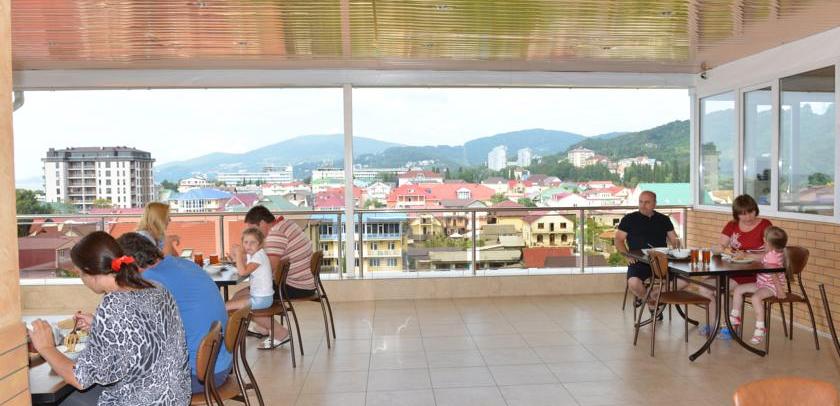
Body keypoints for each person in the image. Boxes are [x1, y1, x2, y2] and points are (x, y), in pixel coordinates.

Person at [28, 231, 189, 405]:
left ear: (89, 271)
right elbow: (146, 335)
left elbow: (80, 378)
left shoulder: (113, 304)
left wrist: (46, 347)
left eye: (80, 273)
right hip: (174, 397)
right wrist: (100, 327)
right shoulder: (156, 288)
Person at [116, 232, 232, 394]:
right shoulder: (183, 263)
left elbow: (136, 334)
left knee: (114, 385)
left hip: (198, 376)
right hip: (220, 364)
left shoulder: (150, 280)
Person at [697, 194, 773, 336]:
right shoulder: (732, 225)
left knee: (721, 289)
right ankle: (713, 324)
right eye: (742, 214)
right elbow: (720, 246)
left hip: (755, 272)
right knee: (704, 288)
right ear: (736, 214)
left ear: (756, 210)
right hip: (733, 269)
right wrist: (718, 248)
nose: (748, 217)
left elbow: (772, 255)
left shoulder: (765, 225)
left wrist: (747, 255)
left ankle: (731, 328)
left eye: (750, 212)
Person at [243, 206, 317, 340]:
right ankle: (264, 327)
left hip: (296, 287)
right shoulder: (287, 224)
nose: (253, 234)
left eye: (253, 229)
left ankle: (279, 332)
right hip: (306, 282)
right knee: (254, 291)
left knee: (241, 298)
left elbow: (267, 271)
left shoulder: (275, 235)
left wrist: (242, 262)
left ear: (263, 223)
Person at [614, 191, 681, 316]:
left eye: (647, 202)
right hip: (639, 261)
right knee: (633, 283)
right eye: (640, 202)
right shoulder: (629, 219)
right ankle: (651, 302)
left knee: (685, 281)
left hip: (661, 262)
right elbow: (618, 240)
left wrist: (676, 245)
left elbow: (674, 240)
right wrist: (627, 255)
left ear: (655, 204)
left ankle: (649, 295)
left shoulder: (664, 219)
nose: (642, 205)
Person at [225, 228, 286, 349]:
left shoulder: (258, 257)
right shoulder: (256, 254)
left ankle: (279, 331)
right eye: (246, 242)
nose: (248, 245)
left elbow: (243, 272)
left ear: (260, 244)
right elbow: (244, 266)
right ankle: (263, 328)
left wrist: (238, 255)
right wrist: (236, 258)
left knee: (226, 306)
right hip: (261, 296)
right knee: (236, 297)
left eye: (253, 242)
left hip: (261, 299)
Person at [730, 226, 788, 345]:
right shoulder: (773, 252)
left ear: (768, 242)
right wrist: (746, 254)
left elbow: (773, 274)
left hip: (771, 286)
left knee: (755, 298)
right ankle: (735, 317)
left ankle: (760, 328)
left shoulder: (772, 256)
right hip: (762, 283)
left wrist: (780, 290)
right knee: (738, 289)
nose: (763, 240)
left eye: (764, 239)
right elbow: (760, 257)